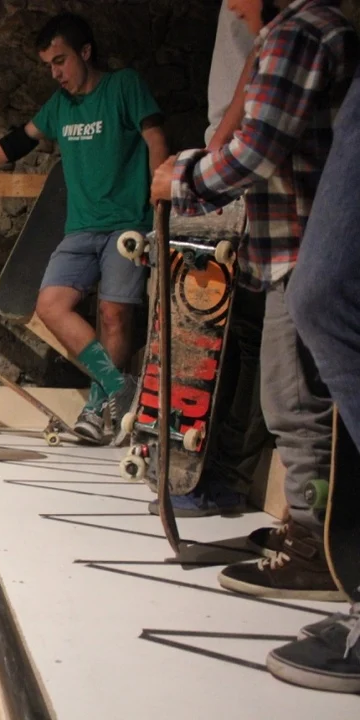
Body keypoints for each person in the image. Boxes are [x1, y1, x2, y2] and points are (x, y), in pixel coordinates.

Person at [151, 0, 357, 600]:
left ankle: (320, 549)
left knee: (296, 403)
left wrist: (181, 179)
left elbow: (256, 150)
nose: (232, 8)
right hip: (295, 246)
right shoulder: (300, 30)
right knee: (293, 399)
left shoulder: (299, 31)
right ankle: (312, 526)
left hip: (303, 246)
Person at [0, 12, 168, 446]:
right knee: (50, 305)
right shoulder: (60, 105)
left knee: (114, 314)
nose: (55, 73)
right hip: (80, 228)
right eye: (49, 65)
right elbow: (18, 142)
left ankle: (97, 407)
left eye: (60, 61)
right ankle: (119, 387)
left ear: (86, 52)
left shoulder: (123, 86)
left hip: (126, 225)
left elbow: (155, 138)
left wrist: (160, 204)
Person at [147, 1, 272, 520]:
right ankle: (195, 466)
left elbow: (255, 70)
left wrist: (200, 169)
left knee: (251, 331)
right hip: (223, 166)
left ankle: (227, 476)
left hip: (244, 171)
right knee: (216, 329)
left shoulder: (295, 28)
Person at [267, 64, 360, 695]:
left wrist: (191, 175)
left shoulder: (303, 29)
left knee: (325, 296)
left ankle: (310, 534)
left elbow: (262, 130)